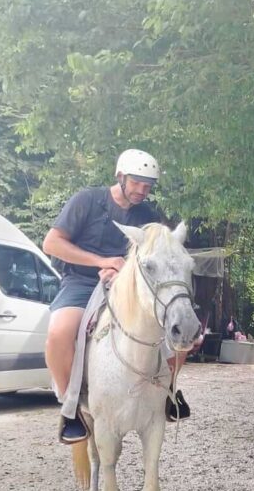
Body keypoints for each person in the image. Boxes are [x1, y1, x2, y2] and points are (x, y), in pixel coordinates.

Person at [42, 149, 191, 444]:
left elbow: (157, 256)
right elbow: (52, 243)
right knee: (59, 332)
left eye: (148, 185)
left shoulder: (148, 215)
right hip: (81, 281)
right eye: (136, 183)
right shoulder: (87, 200)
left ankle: (168, 391)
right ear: (120, 176)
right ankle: (70, 406)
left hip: (129, 285)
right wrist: (101, 262)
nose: (142, 191)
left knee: (182, 333)